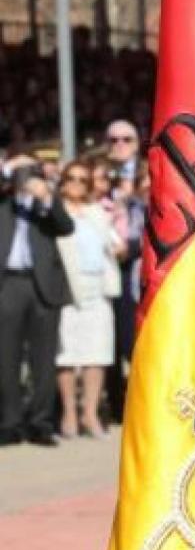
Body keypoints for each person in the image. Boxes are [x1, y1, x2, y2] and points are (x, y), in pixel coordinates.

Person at [0, 155, 74, 445]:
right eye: (20, 172)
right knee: (6, 357)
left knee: (44, 358)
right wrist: (8, 169)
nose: (25, 178)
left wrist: (46, 198)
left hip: (43, 285)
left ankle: (41, 422)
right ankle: (10, 422)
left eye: (30, 172)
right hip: (8, 284)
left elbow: (66, 227)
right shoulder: (4, 203)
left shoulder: (45, 205)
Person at [53, 160, 122, 438]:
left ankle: (90, 414)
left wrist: (119, 247)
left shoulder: (97, 212)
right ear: (63, 182)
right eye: (72, 178)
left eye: (83, 180)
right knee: (67, 355)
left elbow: (115, 244)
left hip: (99, 287)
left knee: (97, 354)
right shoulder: (56, 212)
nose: (77, 184)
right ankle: (69, 413)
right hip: (68, 289)